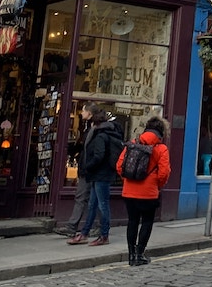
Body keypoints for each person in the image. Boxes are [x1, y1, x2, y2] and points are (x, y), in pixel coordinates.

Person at [117, 115, 171, 266]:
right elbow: (164, 172)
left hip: (129, 191)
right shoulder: (161, 148)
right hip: (149, 193)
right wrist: (157, 185)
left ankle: (131, 255)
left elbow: (120, 165)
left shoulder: (133, 143)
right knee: (147, 222)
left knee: (132, 221)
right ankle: (140, 253)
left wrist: (127, 180)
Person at [68, 108, 122, 246]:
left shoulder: (100, 136)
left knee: (103, 205)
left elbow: (99, 156)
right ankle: (85, 233)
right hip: (100, 175)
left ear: (95, 122)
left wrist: (88, 166)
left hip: (101, 175)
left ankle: (104, 235)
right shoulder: (106, 133)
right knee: (92, 205)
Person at [58, 103, 97, 237]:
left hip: (90, 170)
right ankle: (75, 226)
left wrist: (88, 165)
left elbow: (95, 151)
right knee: (86, 198)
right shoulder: (87, 126)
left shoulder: (94, 128)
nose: (81, 113)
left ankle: (86, 226)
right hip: (86, 168)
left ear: (90, 113)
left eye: (83, 111)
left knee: (88, 198)